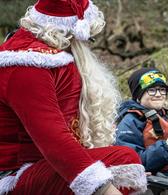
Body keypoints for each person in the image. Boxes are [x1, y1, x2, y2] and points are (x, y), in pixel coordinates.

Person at [0, 0, 147, 195]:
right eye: (88, 38)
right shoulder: (27, 65)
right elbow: (54, 140)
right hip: (14, 175)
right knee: (123, 160)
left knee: (124, 158)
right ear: (73, 33)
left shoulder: (49, 59)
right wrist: (104, 189)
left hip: (39, 165)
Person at [115, 67, 168, 180]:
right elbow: (131, 162)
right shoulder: (130, 122)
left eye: (162, 89)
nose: (158, 94)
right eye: (152, 90)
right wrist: (167, 148)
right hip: (153, 183)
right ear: (138, 95)